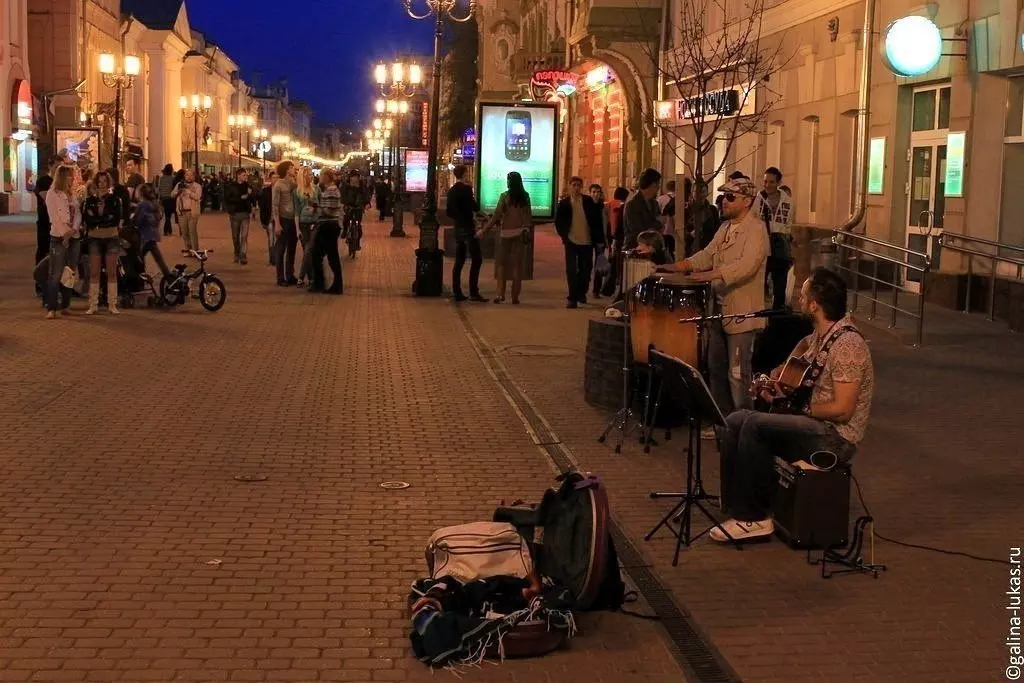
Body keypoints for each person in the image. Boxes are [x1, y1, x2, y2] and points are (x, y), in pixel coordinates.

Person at [712, 267, 874, 543]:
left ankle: (754, 517)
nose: (798, 300)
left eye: (803, 296)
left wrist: (802, 409)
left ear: (815, 305)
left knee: (755, 425)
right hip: (812, 425)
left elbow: (843, 409)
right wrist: (774, 388)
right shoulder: (815, 339)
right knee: (737, 418)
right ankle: (735, 504)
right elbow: (792, 376)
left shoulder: (848, 345)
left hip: (834, 437)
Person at [657, 176, 768, 418]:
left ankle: (745, 424)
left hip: (741, 314)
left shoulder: (757, 230)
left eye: (730, 197)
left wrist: (711, 275)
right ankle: (722, 422)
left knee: (738, 374)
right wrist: (678, 266)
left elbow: (746, 266)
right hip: (717, 310)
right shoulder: (724, 228)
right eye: (723, 197)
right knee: (716, 369)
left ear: (747, 201)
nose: (724, 202)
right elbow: (706, 254)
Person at [478, 171, 532, 305]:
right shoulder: (525, 197)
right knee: (517, 266)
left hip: (505, 233)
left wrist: (484, 230)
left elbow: (496, 216)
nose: (507, 182)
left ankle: (500, 294)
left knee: (501, 265)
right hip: (520, 233)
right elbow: (527, 216)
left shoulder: (504, 196)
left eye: (508, 180)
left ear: (510, 182)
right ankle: (515, 297)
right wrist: (527, 229)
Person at [554, 176, 605, 309]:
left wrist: (600, 240)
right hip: (571, 241)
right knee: (571, 269)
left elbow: (596, 221)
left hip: (587, 241)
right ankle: (572, 298)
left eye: (579, 185)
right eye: (574, 185)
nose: (576, 188)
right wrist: (564, 236)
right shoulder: (564, 203)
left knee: (585, 270)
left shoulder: (588, 201)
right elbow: (558, 222)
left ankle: (581, 292)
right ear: (569, 186)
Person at [82, 171, 125, 315]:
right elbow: (88, 220)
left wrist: (99, 220)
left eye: (104, 181)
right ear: (95, 183)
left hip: (111, 237)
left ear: (108, 183)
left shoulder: (115, 200)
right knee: (94, 272)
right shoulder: (89, 201)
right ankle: (93, 304)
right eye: (99, 182)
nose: (102, 184)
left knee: (111, 272)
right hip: (94, 238)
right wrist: (103, 219)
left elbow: (115, 218)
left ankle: (112, 304)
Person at [42, 166, 82, 319]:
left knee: (69, 272)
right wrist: (65, 234)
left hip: (74, 237)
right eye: (69, 176)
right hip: (59, 237)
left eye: (72, 176)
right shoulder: (53, 194)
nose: (72, 179)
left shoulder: (72, 194)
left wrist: (74, 230)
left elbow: (78, 214)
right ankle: (51, 307)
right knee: (55, 273)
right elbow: (54, 218)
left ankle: (66, 305)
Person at [447, 165, 485, 302]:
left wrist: (458, 217)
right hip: (468, 227)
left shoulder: (451, 191)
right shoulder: (467, 189)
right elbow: (474, 207)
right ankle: (473, 291)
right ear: (464, 174)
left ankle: (457, 291)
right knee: (477, 258)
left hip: (458, 227)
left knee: (459, 261)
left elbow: (449, 211)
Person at [759, 167, 795, 310]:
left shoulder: (788, 201)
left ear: (778, 182)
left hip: (780, 245)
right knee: (760, 282)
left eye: (771, 182)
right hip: (761, 245)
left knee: (780, 283)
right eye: (765, 181)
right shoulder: (758, 198)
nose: (767, 185)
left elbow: (788, 225)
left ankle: (777, 314)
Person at [311, 168, 343, 295]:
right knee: (329, 255)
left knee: (320, 254)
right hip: (329, 225)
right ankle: (330, 283)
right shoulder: (331, 190)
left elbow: (329, 211)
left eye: (321, 175)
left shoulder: (331, 190)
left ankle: (323, 283)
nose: (319, 177)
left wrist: (316, 207)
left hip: (328, 225)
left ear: (327, 177)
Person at [622, 168, 663, 251]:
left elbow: (659, 223)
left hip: (652, 250)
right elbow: (637, 230)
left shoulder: (654, 203)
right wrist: (655, 227)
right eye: (658, 184)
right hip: (635, 249)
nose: (659, 187)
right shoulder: (632, 204)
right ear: (652, 185)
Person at [272, 160, 299, 285]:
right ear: (287, 170)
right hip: (283, 219)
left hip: (293, 219)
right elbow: (275, 205)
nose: (294, 169)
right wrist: (277, 223)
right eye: (292, 168)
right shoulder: (278, 185)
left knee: (292, 248)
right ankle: (280, 277)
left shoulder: (292, 182)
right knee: (281, 248)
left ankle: (290, 274)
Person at [134, 183, 170, 277]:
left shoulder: (142, 205)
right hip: (153, 234)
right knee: (159, 259)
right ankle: (168, 277)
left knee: (138, 257)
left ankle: (141, 277)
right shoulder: (153, 204)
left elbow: (138, 220)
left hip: (145, 236)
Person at [294, 166, 319, 287]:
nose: (311, 176)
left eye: (311, 174)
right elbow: (296, 212)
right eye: (308, 174)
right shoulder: (297, 192)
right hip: (303, 224)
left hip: (314, 223)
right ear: (303, 176)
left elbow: (320, 207)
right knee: (307, 252)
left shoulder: (316, 189)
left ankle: (301, 277)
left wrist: (316, 209)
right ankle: (312, 278)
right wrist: (297, 229)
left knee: (309, 250)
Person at [224, 168, 254, 265]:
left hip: (245, 214)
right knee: (235, 236)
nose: (246, 177)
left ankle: (243, 255)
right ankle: (236, 253)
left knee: (244, 236)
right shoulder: (231, 186)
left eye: (246, 175)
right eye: (244, 175)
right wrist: (240, 198)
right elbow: (227, 198)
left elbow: (253, 198)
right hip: (235, 214)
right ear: (238, 175)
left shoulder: (248, 186)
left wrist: (250, 194)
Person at [588, 184, 610, 298]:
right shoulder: (586, 206)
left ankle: (596, 290)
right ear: (590, 193)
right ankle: (585, 286)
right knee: (587, 265)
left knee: (599, 265)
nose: (596, 194)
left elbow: (605, 224)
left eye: (598, 192)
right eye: (593, 192)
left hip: (599, 239)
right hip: (586, 239)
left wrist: (606, 239)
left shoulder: (603, 207)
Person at [173, 168, 203, 252]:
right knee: (184, 232)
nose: (189, 177)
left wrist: (189, 192)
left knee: (192, 231)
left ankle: (195, 250)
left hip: (192, 212)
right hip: (181, 212)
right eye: (187, 175)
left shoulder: (197, 186)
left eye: (191, 175)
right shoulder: (179, 184)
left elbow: (197, 197)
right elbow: (172, 194)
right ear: (184, 176)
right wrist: (178, 192)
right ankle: (188, 249)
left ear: (194, 176)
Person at [34, 170, 54, 296]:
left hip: (57, 225)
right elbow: (44, 196)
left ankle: (63, 285)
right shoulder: (43, 180)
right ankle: (40, 285)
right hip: (44, 222)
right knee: (43, 252)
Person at [339, 170, 366, 256]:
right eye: (353, 177)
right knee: (346, 219)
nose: (355, 179)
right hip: (349, 206)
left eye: (356, 177)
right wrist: (345, 203)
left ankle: (357, 241)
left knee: (358, 225)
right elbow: (342, 195)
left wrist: (366, 202)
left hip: (358, 207)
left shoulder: (361, 185)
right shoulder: (346, 185)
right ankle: (345, 231)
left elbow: (365, 194)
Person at [258, 170, 277, 266]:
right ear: (270, 179)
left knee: (278, 239)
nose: (276, 180)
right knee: (271, 238)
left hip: (279, 219)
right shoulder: (266, 191)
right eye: (274, 178)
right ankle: (272, 258)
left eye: (277, 178)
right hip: (269, 218)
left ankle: (276, 257)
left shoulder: (281, 190)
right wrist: (263, 221)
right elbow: (263, 207)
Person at [156, 164, 177, 236]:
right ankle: (166, 230)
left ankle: (169, 230)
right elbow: (173, 188)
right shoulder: (172, 178)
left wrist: (159, 198)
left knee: (166, 215)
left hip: (162, 198)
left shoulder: (161, 178)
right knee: (168, 215)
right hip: (170, 198)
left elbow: (159, 188)